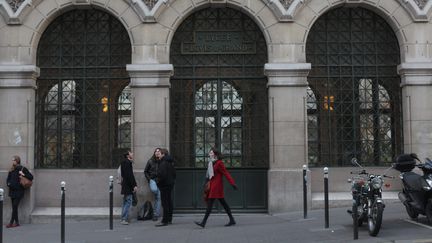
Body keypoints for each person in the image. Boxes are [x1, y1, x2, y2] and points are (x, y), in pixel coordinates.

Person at [195, 148, 237, 228]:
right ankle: (232, 220)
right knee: (224, 203)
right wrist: (205, 182)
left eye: (211, 152)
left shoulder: (219, 163)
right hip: (212, 185)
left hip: (217, 186)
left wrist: (232, 183)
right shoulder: (211, 163)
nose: (209, 154)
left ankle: (203, 222)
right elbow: (209, 175)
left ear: (215, 154)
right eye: (209, 152)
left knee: (210, 204)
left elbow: (226, 173)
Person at [6, 155, 33, 228]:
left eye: (14, 160)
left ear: (17, 161)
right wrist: (8, 183)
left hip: (19, 191)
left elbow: (31, 177)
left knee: (15, 206)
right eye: (12, 160)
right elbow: (8, 179)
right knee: (14, 207)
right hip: (12, 190)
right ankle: (17, 222)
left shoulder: (22, 169)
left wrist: (23, 174)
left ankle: (11, 222)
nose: (13, 161)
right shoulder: (11, 169)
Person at [155, 148, 176, 227]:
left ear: (163, 154)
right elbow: (174, 173)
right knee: (169, 201)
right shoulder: (170, 162)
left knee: (165, 202)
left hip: (164, 185)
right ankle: (169, 219)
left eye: (159, 153)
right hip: (170, 184)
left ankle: (165, 220)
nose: (157, 154)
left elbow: (162, 175)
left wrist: (158, 181)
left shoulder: (163, 162)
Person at [120, 151, 138, 225]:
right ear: (128, 155)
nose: (132, 154)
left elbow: (124, 175)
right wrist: (134, 185)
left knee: (125, 202)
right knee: (128, 202)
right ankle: (124, 219)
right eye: (131, 153)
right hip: (128, 186)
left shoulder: (124, 162)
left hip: (125, 185)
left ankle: (124, 218)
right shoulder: (128, 163)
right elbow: (130, 175)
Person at [144, 148, 161, 221]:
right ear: (154, 153)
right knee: (154, 190)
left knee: (159, 198)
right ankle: (158, 194)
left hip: (160, 181)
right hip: (153, 180)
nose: (157, 152)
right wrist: (149, 179)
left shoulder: (162, 161)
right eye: (156, 151)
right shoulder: (150, 161)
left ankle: (156, 215)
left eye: (158, 151)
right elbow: (145, 171)